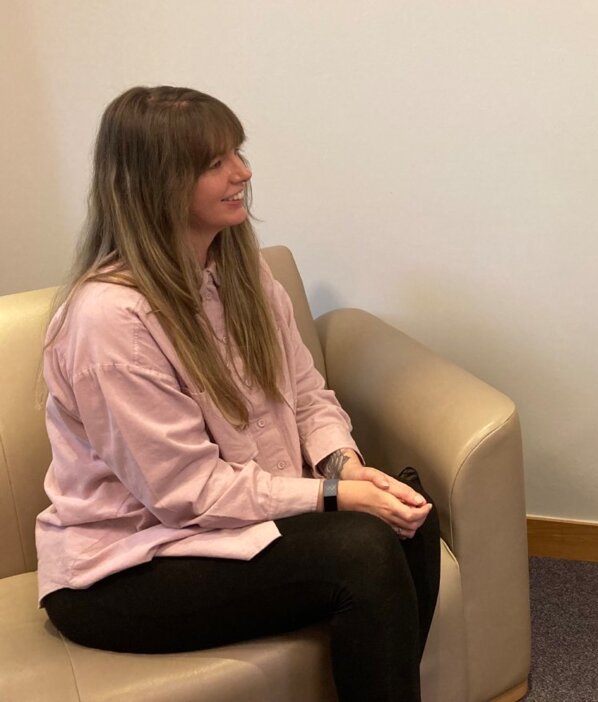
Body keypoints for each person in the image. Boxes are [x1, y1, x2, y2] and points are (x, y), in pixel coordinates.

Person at [35, 86, 439, 702]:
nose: (243, 173)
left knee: (414, 514)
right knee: (363, 549)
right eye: (214, 162)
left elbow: (306, 396)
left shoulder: (245, 277)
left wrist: (346, 467)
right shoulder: (110, 319)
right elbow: (187, 493)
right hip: (124, 570)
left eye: (238, 153)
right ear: (155, 184)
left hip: (228, 528)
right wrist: (336, 499)